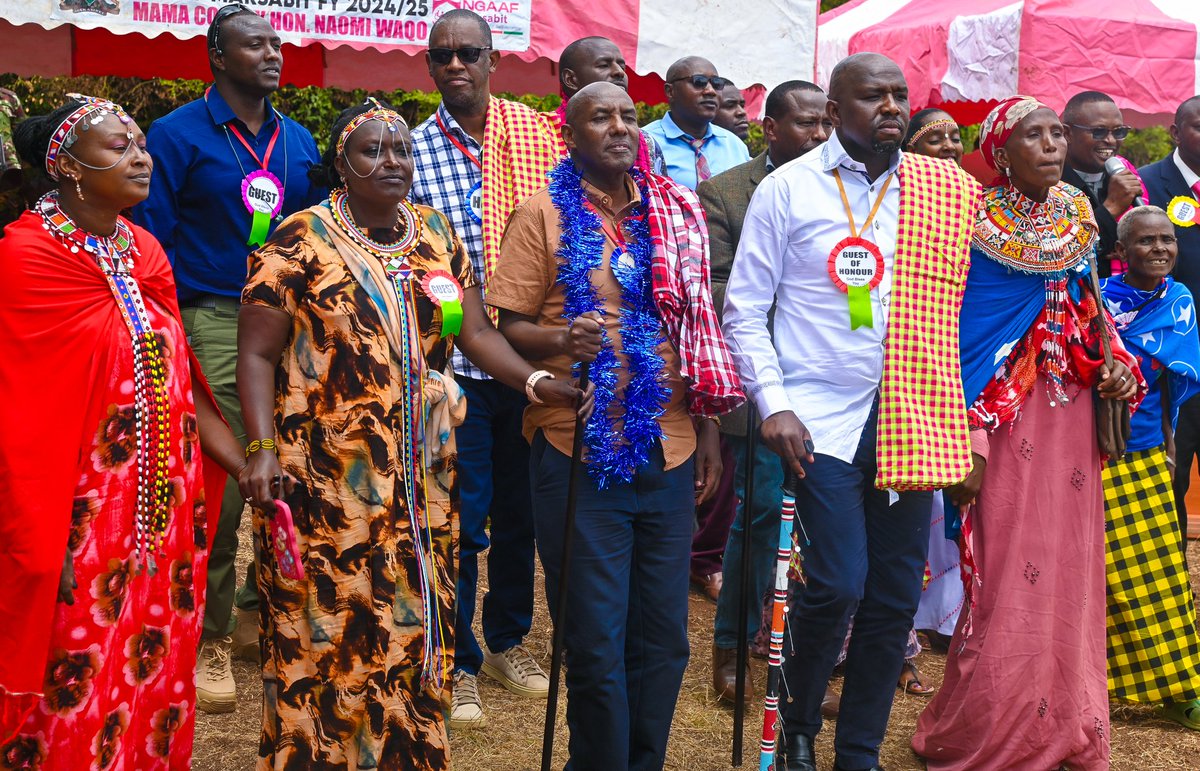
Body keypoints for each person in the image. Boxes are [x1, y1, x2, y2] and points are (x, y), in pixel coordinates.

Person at [237, 99, 589, 770]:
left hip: (419, 469)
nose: (391, 160)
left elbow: (475, 333)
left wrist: (538, 383)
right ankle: (318, 752)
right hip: (323, 472)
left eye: (400, 148)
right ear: (341, 163)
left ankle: (402, 751)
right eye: (372, 149)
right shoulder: (295, 240)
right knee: (327, 620)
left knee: (407, 609)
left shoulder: (434, 234)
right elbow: (254, 354)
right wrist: (258, 449)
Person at [723, 53, 981, 771]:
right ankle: (800, 722)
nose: (893, 106)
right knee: (837, 581)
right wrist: (772, 405)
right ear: (836, 112)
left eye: (900, 95)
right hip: (818, 419)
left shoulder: (942, 189)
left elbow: (985, 292)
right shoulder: (788, 189)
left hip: (913, 412)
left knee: (895, 593)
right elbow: (745, 311)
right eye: (874, 96)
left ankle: (858, 749)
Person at [488, 81, 743, 770]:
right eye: (600, 116)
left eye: (629, 116)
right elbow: (505, 324)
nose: (620, 127)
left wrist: (711, 433)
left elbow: (697, 329)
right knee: (596, 639)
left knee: (663, 639)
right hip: (578, 447)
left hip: (671, 442)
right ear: (569, 135)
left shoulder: (674, 211)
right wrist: (560, 342)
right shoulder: (542, 212)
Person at [0, 95, 248, 767]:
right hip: (71, 516)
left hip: (165, 513)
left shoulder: (144, 249)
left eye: (140, 142)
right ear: (70, 169)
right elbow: (17, 407)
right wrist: (31, 530)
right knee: (72, 668)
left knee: (149, 658)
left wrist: (246, 460)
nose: (140, 156)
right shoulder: (23, 257)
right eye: (119, 146)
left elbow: (188, 383)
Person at [911, 95, 1142, 770]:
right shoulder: (969, 219)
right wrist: (966, 431)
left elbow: (1091, 305)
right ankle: (990, 724)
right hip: (1000, 415)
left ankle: (1063, 719)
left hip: (1068, 414)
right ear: (1001, 153)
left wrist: (1118, 367)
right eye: (1032, 136)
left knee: (1070, 562)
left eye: (1054, 135)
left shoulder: (1078, 214)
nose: (1051, 145)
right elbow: (953, 328)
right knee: (1010, 564)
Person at [132, 3, 324, 713]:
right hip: (209, 314)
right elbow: (148, 243)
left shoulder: (298, 140)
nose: (273, 53)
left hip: (291, 324)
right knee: (227, 476)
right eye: (255, 44)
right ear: (217, 55)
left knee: (292, 461)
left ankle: (257, 609)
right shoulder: (175, 134)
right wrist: (169, 333)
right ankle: (209, 636)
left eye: (277, 43)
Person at [408, 7, 565, 728]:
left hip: (533, 355)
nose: (455, 65)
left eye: (469, 52)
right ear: (431, 67)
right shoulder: (408, 150)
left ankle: (507, 640)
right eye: (442, 56)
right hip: (456, 366)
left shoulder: (539, 136)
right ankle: (459, 659)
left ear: (494, 59)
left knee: (522, 516)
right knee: (461, 519)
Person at [698, 79, 830, 704]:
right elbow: (721, 292)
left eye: (825, 123)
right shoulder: (724, 194)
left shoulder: (848, 187)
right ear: (770, 129)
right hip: (764, 382)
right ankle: (735, 646)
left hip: (838, 382)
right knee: (758, 518)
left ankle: (801, 662)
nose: (820, 135)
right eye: (806, 124)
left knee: (822, 524)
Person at [1100, 205, 1200, 731]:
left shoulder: (1178, 302)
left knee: (1161, 578)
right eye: (1146, 242)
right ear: (1121, 253)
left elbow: (1170, 381)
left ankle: (1181, 689)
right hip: (1092, 454)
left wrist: (1167, 442)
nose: (1160, 249)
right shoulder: (1095, 300)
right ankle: (1103, 686)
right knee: (1107, 578)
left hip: (1142, 454)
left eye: (1168, 240)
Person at [902, 107, 967, 664]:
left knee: (952, 498)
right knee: (911, 503)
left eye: (955, 137)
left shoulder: (976, 202)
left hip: (958, 364)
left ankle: (950, 614)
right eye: (933, 138)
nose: (947, 145)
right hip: (905, 368)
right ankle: (910, 619)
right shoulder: (893, 201)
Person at [1139, 94, 1200, 559]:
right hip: (1173, 365)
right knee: (1171, 479)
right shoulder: (1143, 186)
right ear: (1175, 132)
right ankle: (1175, 591)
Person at [1061, 90, 1145, 275]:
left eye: (1119, 132)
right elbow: (1058, 254)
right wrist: (1110, 210)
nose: (1110, 140)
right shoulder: (1048, 185)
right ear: (1067, 133)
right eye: (1098, 132)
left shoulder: (1127, 177)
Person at [557, 35, 663, 175]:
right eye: (604, 65)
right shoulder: (539, 134)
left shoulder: (647, 142)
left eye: (622, 66)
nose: (619, 72)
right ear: (570, 79)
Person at [642, 56, 750, 190]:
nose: (710, 91)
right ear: (670, 91)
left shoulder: (734, 145)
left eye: (717, 84)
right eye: (699, 82)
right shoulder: (645, 143)